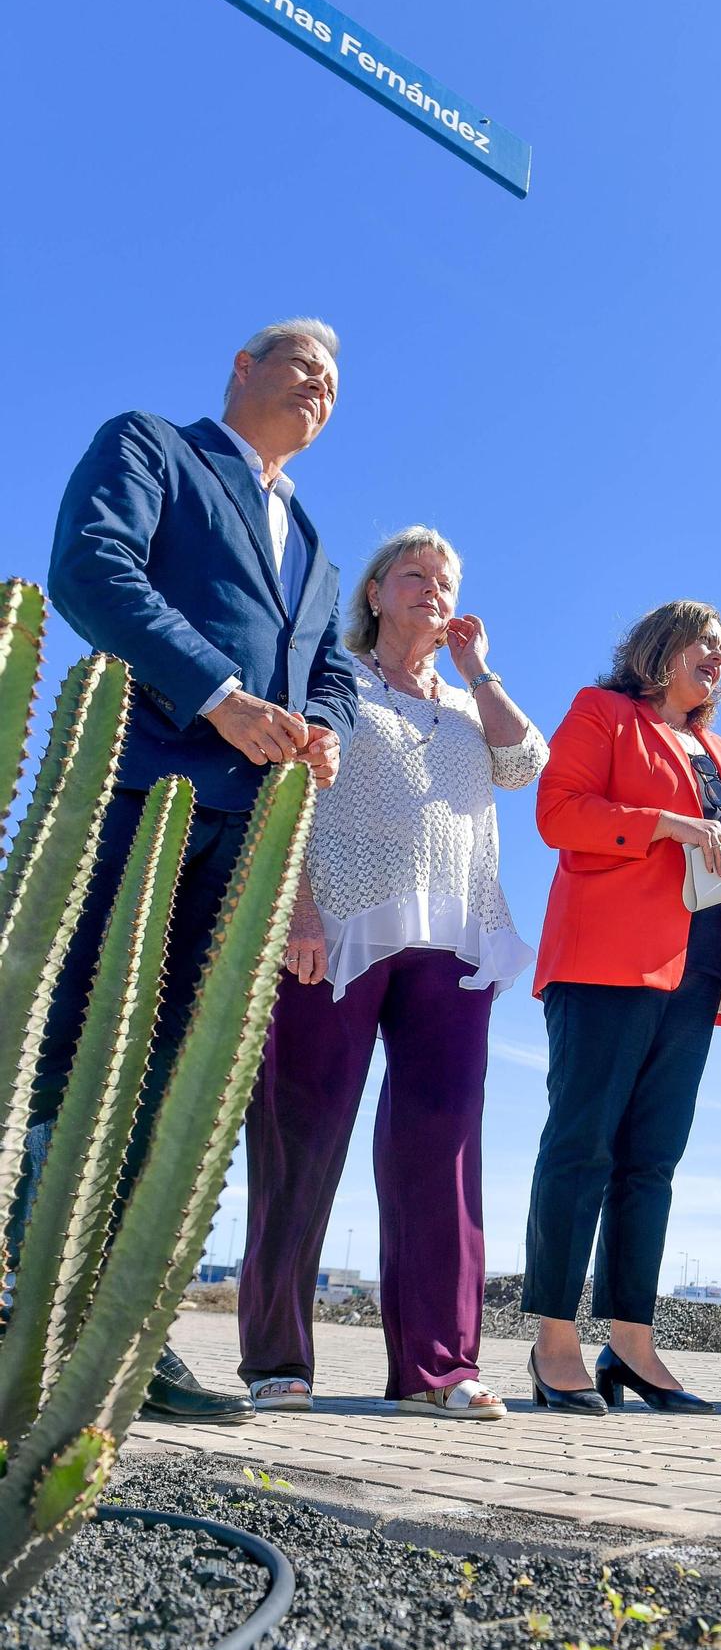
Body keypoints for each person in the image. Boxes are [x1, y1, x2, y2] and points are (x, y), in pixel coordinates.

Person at [36, 318, 356, 1424]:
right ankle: (23, 1300)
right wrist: (218, 690)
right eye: (302, 363)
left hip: (248, 838)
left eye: (334, 380)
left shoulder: (313, 542)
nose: (319, 384)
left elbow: (336, 672)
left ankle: (119, 1332)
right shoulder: (154, 447)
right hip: (139, 792)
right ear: (242, 366)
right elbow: (90, 564)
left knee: (174, 1078)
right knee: (76, 1046)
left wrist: (320, 724)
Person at [237, 528, 547, 1417]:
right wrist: (294, 908)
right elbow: (286, 786)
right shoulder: (331, 677)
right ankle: (275, 1360)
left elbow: (527, 764)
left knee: (440, 1150)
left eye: (446, 580)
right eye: (414, 575)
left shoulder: (465, 705)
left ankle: (437, 1367)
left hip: (455, 938)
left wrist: (478, 669)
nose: (433, 590)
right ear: (373, 592)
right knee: (301, 1134)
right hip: (332, 929)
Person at [522, 601, 721, 1415]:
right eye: (703, 641)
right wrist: (667, 823)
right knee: (581, 1146)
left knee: (652, 1163)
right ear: (657, 650)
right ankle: (553, 1344)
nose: (716, 656)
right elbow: (557, 815)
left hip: (698, 974)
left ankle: (631, 1343)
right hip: (605, 961)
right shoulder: (602, 713)